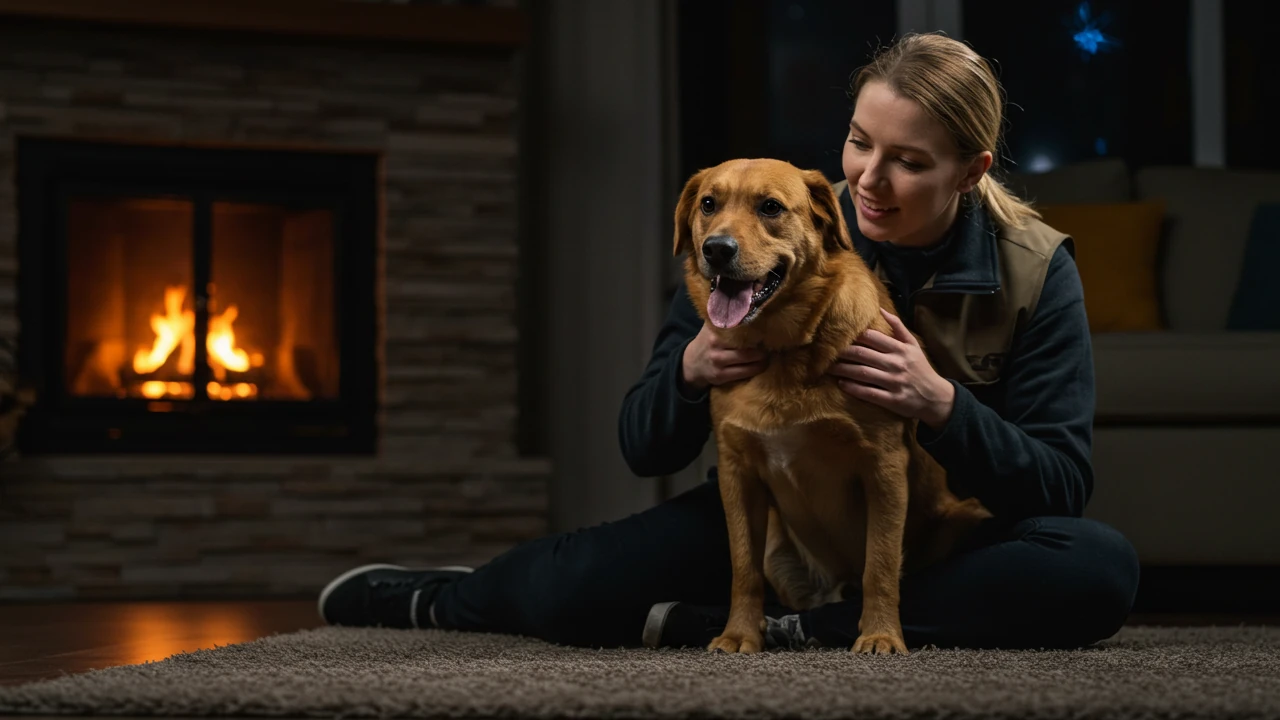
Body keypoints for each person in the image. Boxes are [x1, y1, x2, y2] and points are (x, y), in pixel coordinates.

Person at [318, 32, 1140, 652]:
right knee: (573, 585)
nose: (867, 181)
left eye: (908, 162)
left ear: (970, 171)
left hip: (942, 541)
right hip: (778, 524)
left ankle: (806, 630)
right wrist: (688, 369)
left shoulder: (1035, 272)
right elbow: (642, 443)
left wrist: (944, 405)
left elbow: (1061, 484)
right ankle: (434, 599)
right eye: (860, 142)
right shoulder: (753, 235)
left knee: (1095, 568)